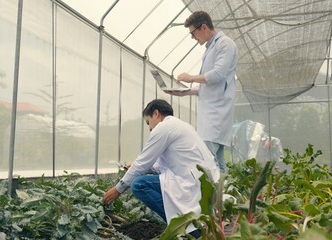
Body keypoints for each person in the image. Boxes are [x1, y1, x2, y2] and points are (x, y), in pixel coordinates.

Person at [102, 99, 220, 238]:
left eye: (148, 122)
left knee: (139, 185)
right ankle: (187, 226)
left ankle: (185, 228)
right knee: (145, 181)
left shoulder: (164, 128)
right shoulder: (180, 126)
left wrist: (118, 189)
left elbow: (143, 162)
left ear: (156, 113)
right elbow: (159, 165)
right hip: (201, 181)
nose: (150, 128)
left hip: (192, 183)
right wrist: (137, 167)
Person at [164, 11, 238, 173]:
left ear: (203, 27)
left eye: (192, 33)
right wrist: (187, 92)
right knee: (217, 162)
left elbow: (218, 74)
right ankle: (224, 196)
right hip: (211, 114)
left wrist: (191, 78)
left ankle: (214, 197)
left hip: (216, 114)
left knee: (205, 161)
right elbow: (210, 85)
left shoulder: (225, 44)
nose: (192, 37)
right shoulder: (211, 47)